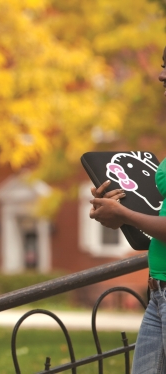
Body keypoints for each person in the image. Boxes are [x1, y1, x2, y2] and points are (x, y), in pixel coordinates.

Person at [89, 46, 166, 374]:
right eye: (162, 65)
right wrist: (121, 209)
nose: (161, 74)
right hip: (158, 291)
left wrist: (123, 215)